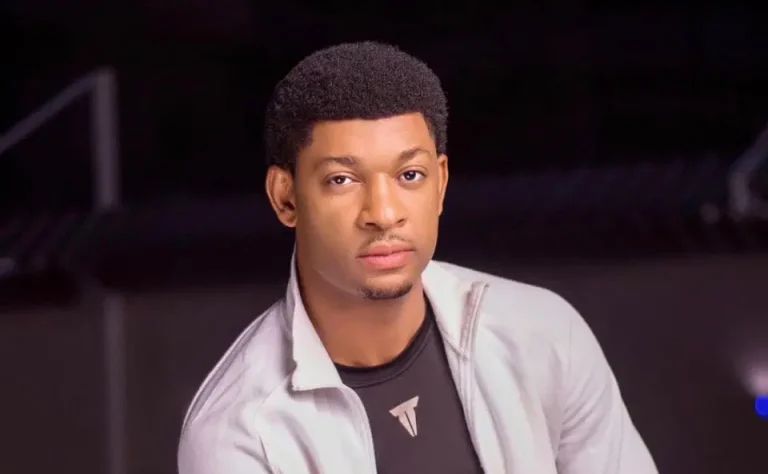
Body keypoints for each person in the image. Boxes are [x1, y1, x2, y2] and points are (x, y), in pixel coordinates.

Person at [178, 41, 658, 474]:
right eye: (342, 180)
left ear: (441, 183)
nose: (384, 214)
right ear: (286, 197)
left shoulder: (544, 335)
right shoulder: (241, 433)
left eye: (409, 175)